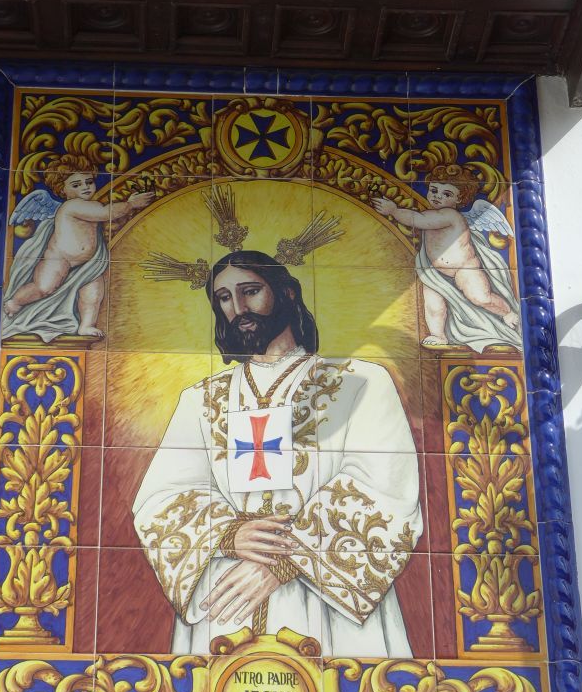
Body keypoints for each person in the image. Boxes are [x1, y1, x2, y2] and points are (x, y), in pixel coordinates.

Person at [131, 251, 423, 657]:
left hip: (327, 599)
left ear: (286, 292)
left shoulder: (360, 383)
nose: (238, 309)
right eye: (224, 298)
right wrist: (228, 535)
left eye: (250, 291)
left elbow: (385, 487)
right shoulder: (202, 399)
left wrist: (286, 561)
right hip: (229, 593)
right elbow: (163, 496)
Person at [1, 154, 152, 341]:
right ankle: (15, 302)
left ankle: (86, 325)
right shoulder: (72, 206)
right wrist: (131, 204)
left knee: (93, 294)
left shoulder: (89, 204)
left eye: (89, 182)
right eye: (76, 185)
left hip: (88, 263)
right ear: (62, 189)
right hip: (59, 259)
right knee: (43, 287)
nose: (85, 187)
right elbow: (106, 213)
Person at [373, 165, 521, 351]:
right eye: (434, 190)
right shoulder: (431, 213)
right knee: (434, 306)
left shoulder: (450, 215)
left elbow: (418, 220)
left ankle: (507, 313)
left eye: (446, 194)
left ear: (459, 199)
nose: (438, 196)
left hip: (464, 269)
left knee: (481, 298)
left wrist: (394, 210)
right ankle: (438, 335)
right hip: (435, 273)